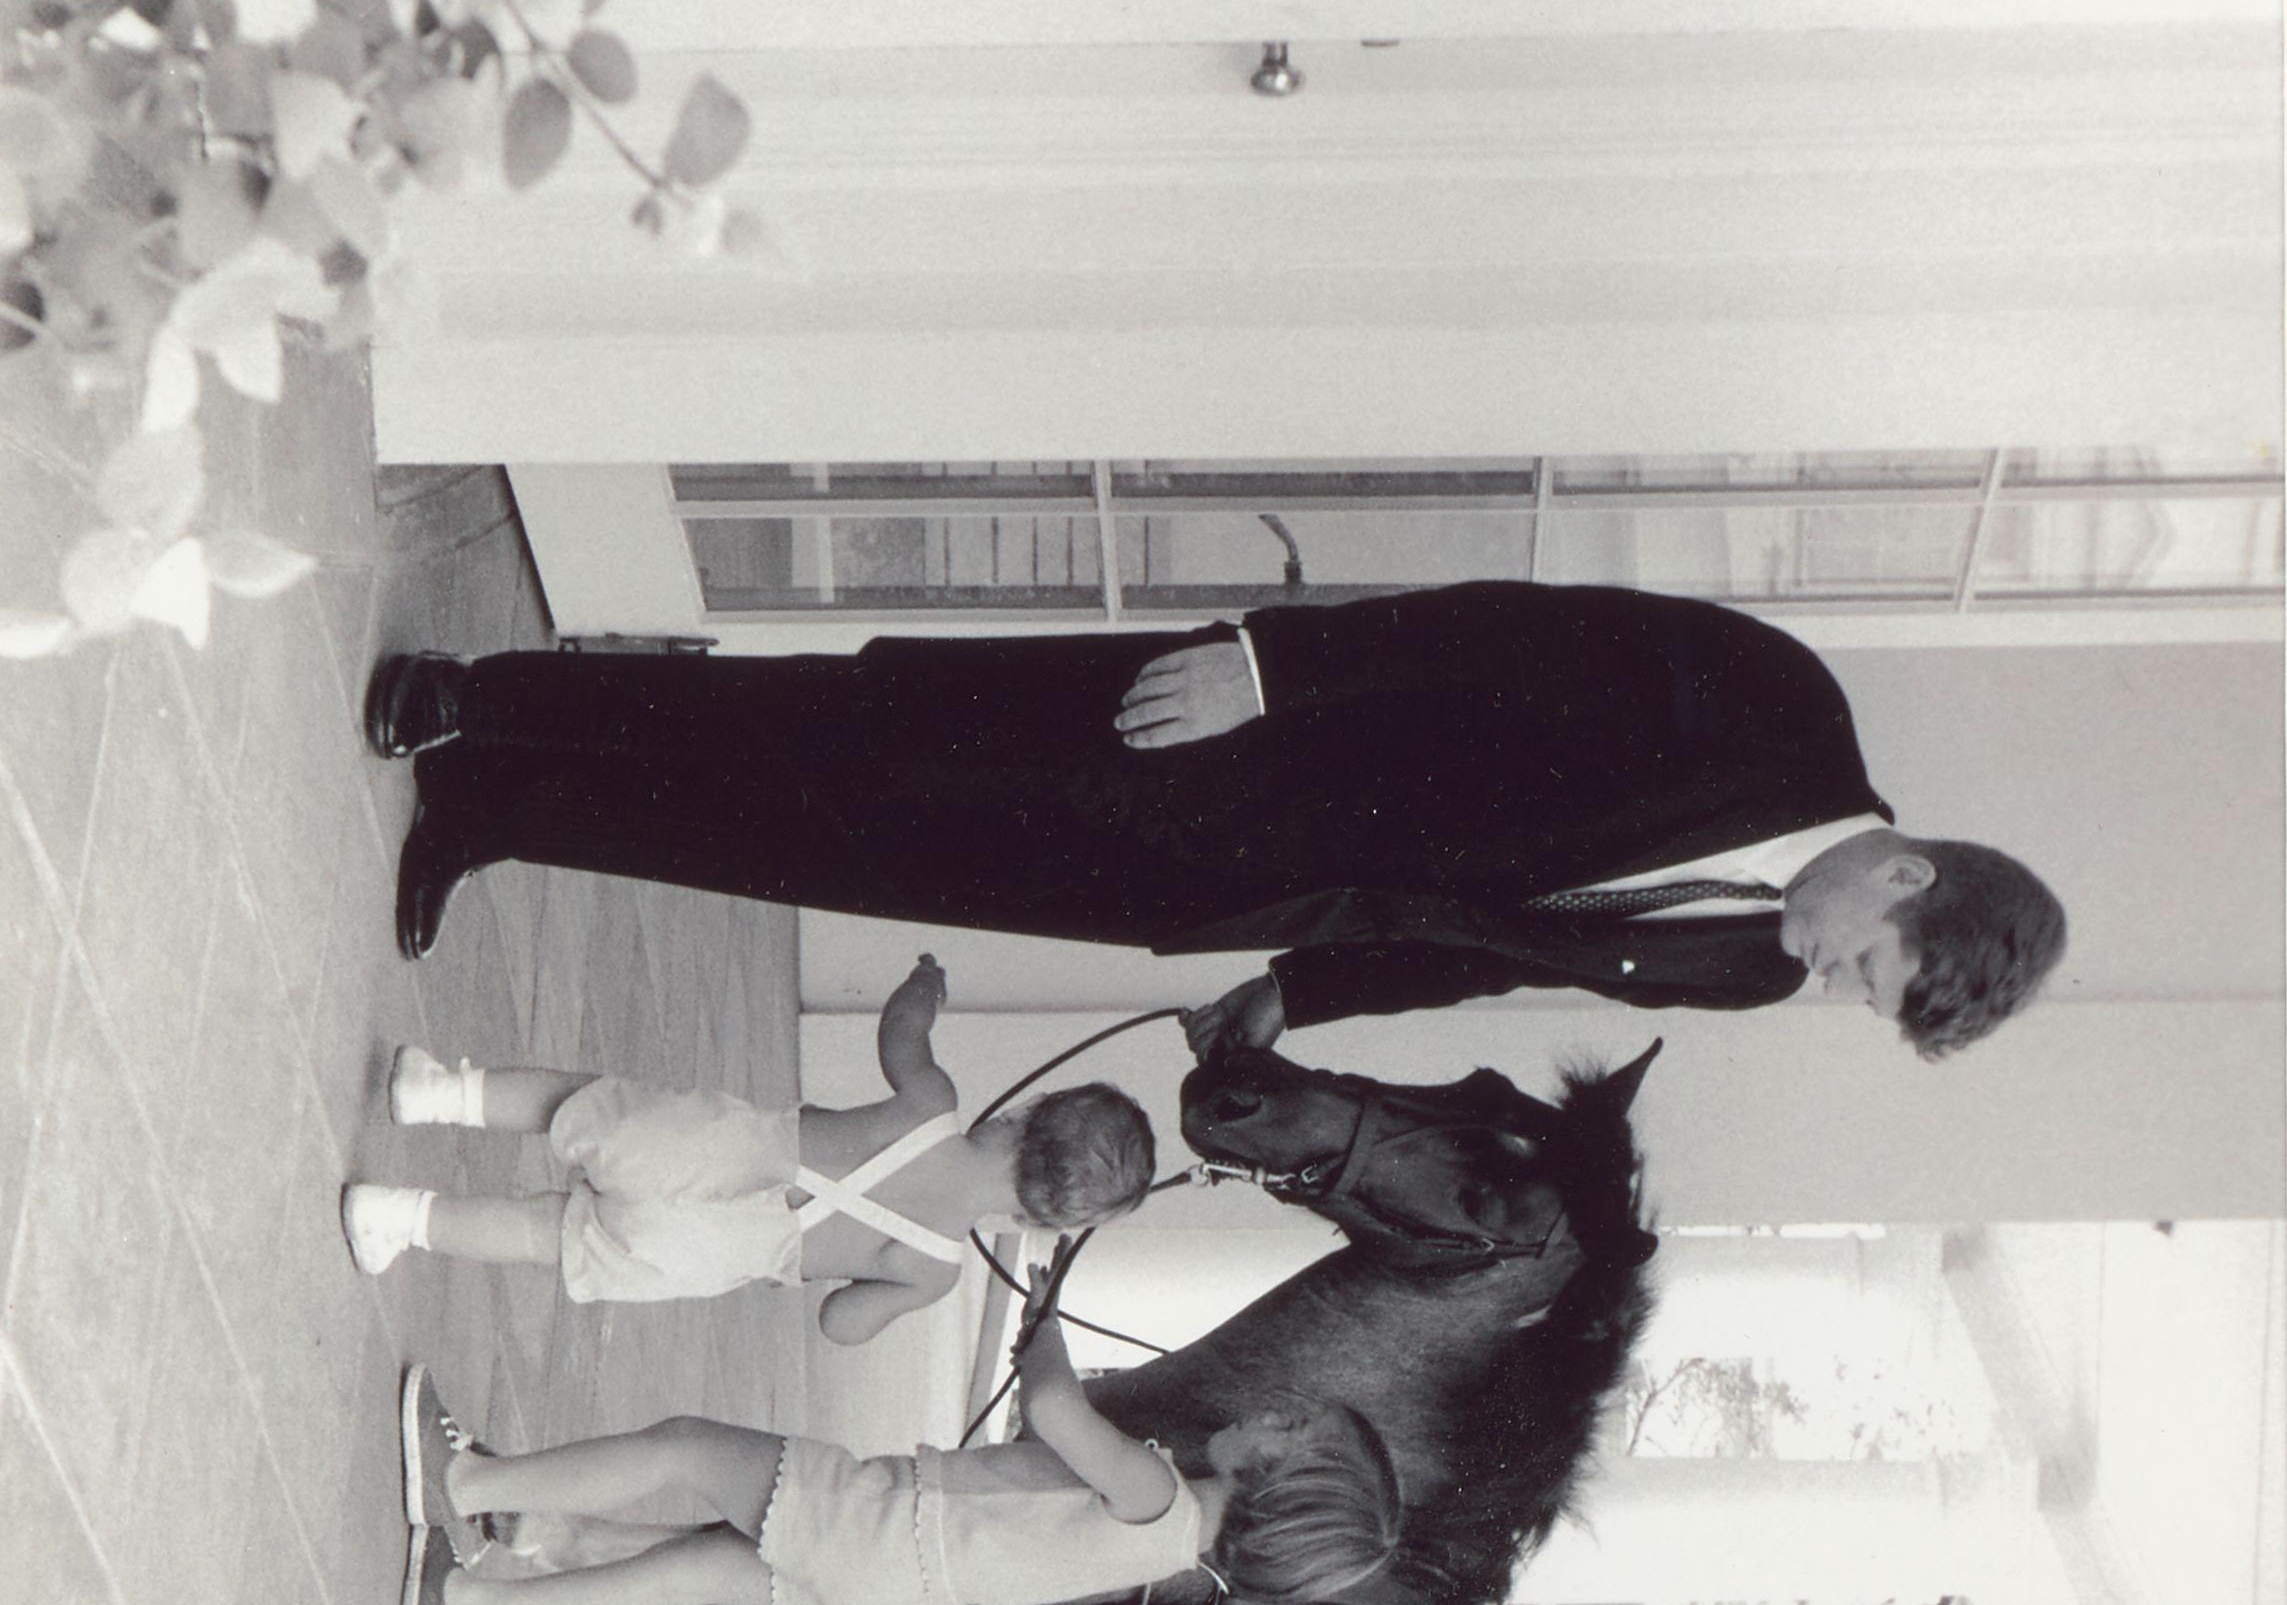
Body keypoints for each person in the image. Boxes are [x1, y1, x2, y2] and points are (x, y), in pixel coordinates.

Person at [372, 581, 2065, 1059]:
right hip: (1216, 736)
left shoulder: (1742, 976)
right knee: (852, 726)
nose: (1829, 988)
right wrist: (1269, 665)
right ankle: (485, 695)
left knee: (841, 848)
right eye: (1872, 968)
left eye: (1860, 999)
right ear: (1904, 874)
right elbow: (1505, 629)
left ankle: (499, 812)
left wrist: (1298, 997)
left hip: (1234, 893)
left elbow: (1486, 959)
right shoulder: (1773, 706)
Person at [392, 1282, 1404, 1605]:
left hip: (878, 1525)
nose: (1269, 1414)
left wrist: (1043, 1328)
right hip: (889, 1590)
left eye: (1287, 1431)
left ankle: (471, 1485)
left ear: (1280, 1486)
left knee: (685, 1449)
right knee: (672, 1576)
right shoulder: (1165, 1539)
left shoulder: (1161, 1500)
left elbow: (1053, 1409)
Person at [337, 954, 1154, 1338]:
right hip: (708, 1249)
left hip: (714, 1150)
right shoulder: (935, 1268)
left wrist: (925, 985)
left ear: (1027, 1114)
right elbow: (842, 1322)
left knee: (570, 1100)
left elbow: (901, 1027)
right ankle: (397, 1218)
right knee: (544, 1235)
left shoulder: (932, 1106)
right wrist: (857, 1288)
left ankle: (435, 1093)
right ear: (1030, 1219)